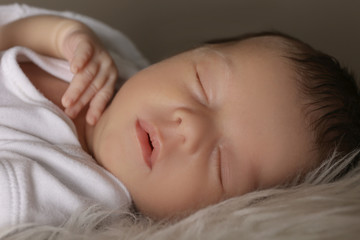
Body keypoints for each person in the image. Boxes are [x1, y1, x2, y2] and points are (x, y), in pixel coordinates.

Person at [0, 13, 359, 227]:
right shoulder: (107, 51)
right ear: (180, 56)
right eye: (202, 82)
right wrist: (60, 33)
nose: (190, 125)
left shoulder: (60, 198)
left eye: (223, 165)